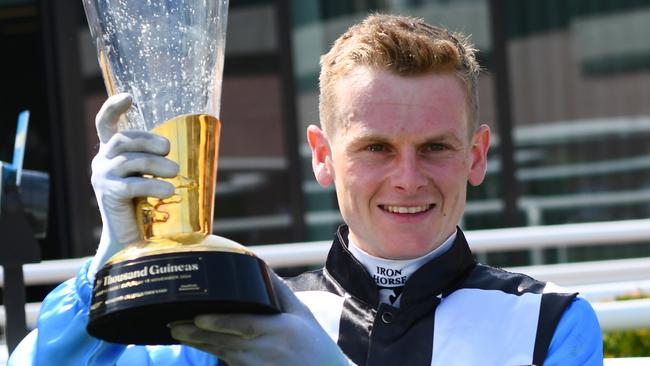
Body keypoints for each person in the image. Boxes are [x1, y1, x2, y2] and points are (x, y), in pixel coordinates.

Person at [9, 14, 603, 365]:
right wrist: (114, 264)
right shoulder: (238, 320)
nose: (407, 177)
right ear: (323, 157)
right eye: (375, 147)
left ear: (475, 156)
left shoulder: (551, 322)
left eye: (435, 147)